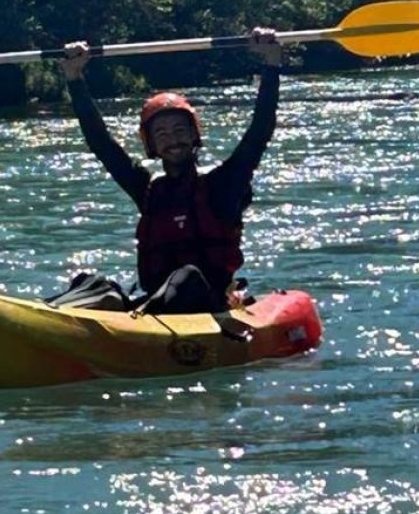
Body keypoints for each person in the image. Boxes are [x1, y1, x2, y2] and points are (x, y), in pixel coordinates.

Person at [57, 28, 282, 315]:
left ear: (193, 135)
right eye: (161, 133)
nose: (172, 139)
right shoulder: (148, 188)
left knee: (187, 276)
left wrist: (272, 63)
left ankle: (136, 318)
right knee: (91, 283)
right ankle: (43, 315)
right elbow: (102, 145)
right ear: (151, 143)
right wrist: (74, 77)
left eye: (179, 130)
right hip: (155, 303)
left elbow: (259, 132)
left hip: (205, 302)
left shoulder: (223, 184)